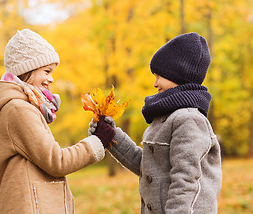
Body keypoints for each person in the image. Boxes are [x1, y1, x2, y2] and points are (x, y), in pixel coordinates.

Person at [0, 29, 115, 214]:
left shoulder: (22, 107)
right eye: (47, 71)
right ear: (26, 70)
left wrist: (96, 138)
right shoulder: (18, 109)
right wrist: (97, 142)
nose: (51, 79)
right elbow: (56, 161)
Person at [89, 33, 222, 214]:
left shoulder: (189, 120)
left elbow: (185, 180)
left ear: (179, 75)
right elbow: (148, 167)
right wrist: (111, 136)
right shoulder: (165, 118)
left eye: (160, 75)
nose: (155, 83)